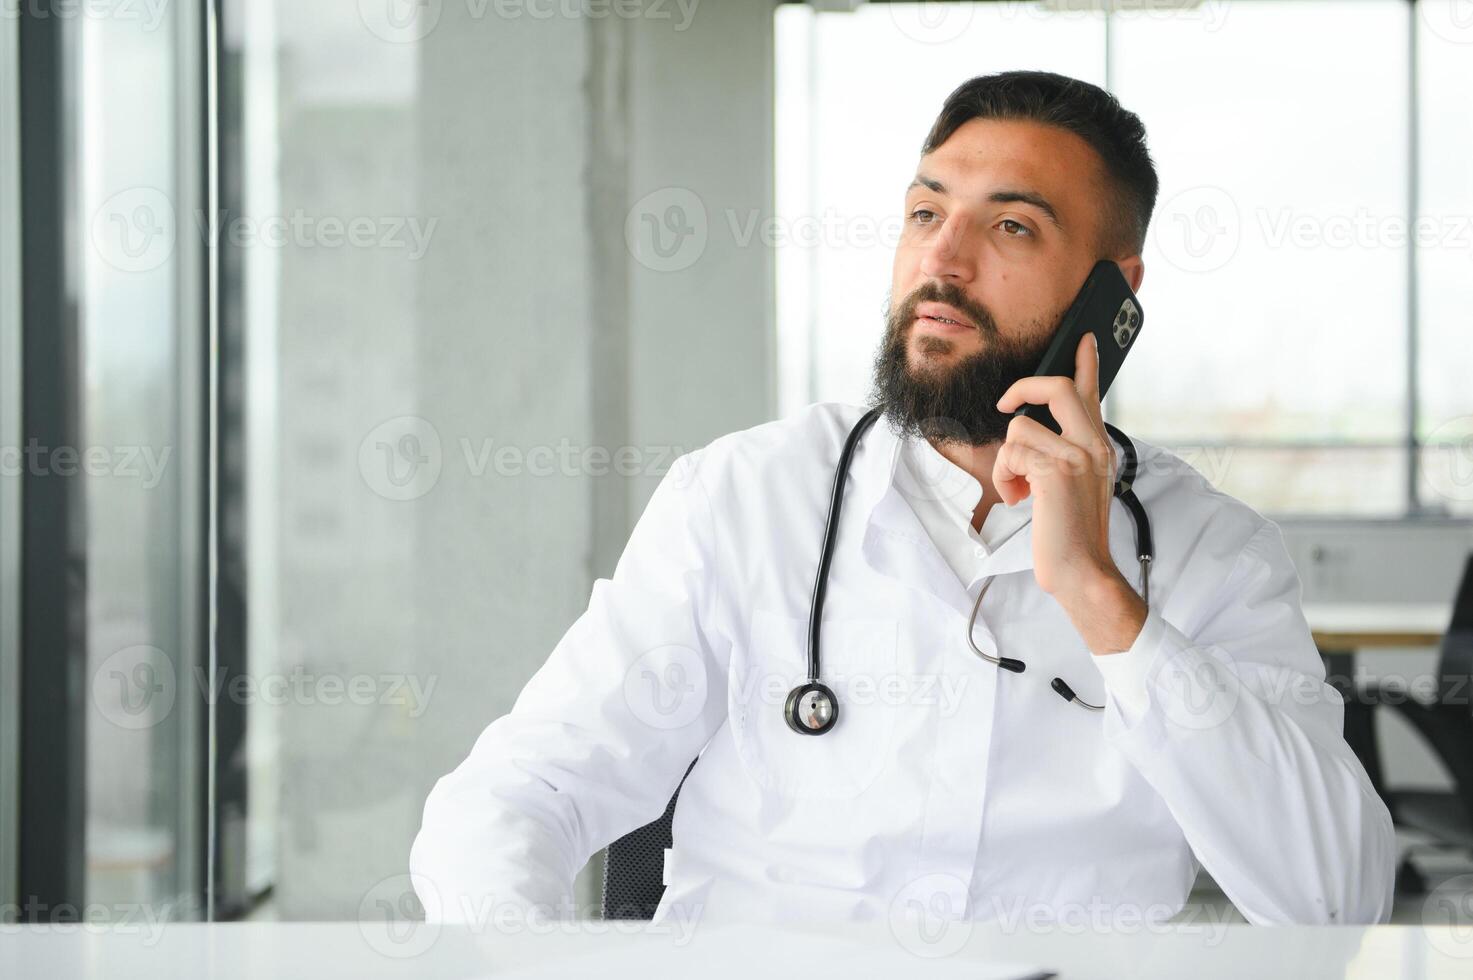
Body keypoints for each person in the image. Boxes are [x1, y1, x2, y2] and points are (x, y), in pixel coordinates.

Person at [410, 70, 1396, 927]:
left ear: (1115, 293)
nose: (942, 260)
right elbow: (519, 794)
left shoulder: (1210, 553)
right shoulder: (743, 498)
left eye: (1010, 225)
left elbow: (1334, 898)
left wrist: (1106, 603)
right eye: (926, 213)